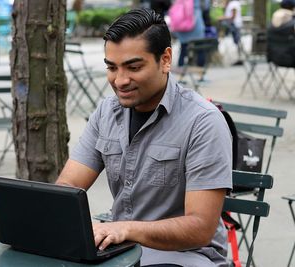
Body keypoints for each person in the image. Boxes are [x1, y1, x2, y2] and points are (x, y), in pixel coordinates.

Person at [56, 8, 232, 267]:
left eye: (133, 67)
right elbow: (68, 187)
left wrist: (124, 229)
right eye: (111, 68)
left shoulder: (202, 121)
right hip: (120, 251)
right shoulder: (107, 112)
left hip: (187, 257)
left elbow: (200, 228)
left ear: (166, 59)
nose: (120, 80)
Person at [173, 0, 206, 67]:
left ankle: (181, 68)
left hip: (182, 23)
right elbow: (204, 6)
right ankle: (201, 71)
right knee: (200, 48)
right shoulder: (196, 7)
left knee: (183, 48)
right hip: (196, 22)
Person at [218, 0, 243, 65]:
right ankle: (239, 58)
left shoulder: (233, 4)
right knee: (237, 42)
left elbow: (233, 16)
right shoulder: (233, 3)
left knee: (236, 42)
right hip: (234, 25)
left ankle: (239, 58)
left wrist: (223, 18)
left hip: (234, 25)